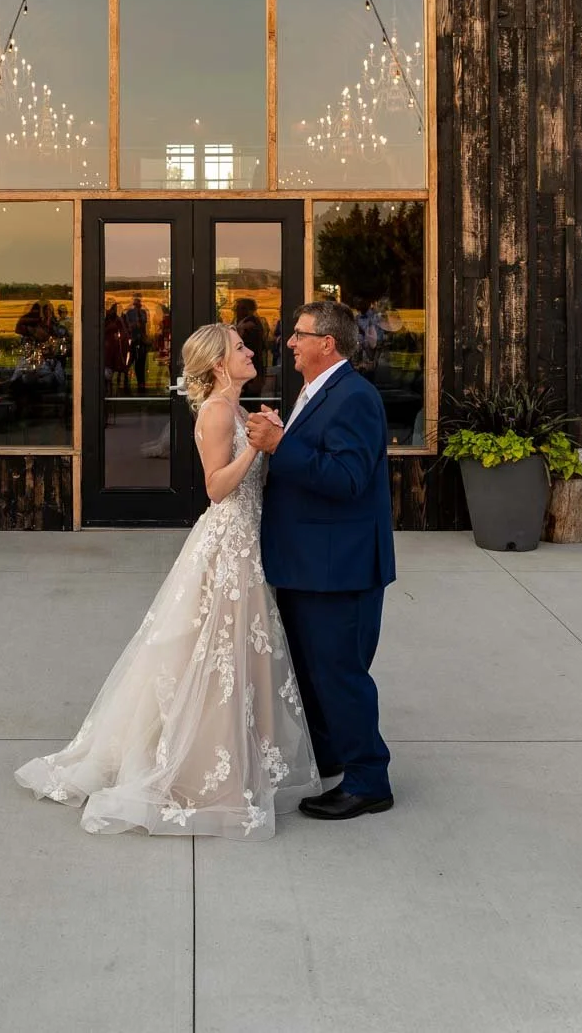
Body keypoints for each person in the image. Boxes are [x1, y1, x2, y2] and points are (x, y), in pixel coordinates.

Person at [15, 323, 320, 838]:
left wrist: (268, 435)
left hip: (247, 546)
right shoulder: (221, 411)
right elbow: (216, 487)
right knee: (210, 655)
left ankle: (229, 756)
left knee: (229, 656)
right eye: (242, 348)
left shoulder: (241, 408)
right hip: (226, 546)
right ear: (220, 362)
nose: (252, 353)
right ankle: (195, 767)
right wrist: (258, 449)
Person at [246, 300, 395, 822]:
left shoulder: (355, 396)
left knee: (340, 673)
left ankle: (368, 780)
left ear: (326, 344)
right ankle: (330, 755)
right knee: (313, 671)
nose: (290, 342)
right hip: (311, 563)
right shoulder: (318, 389)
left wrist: (279, 443)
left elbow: (347, 480)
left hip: (341, 568)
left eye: (299, 334)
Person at [233, 297, 266, 397]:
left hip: (250, 369)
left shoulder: (251, 324)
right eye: (237, 308)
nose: (238, 311)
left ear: (251, 310)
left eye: (242, 308)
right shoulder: (241, 322)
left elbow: (255, 349)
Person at [123, 293, 149, 394]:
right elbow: (128, 326)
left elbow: (144, 324)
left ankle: (141, 383)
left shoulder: (143, 312)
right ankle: (126, 382)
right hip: (133, 341)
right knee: (129, 362)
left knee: (141, 363)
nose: (137, 302)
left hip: (141, 341)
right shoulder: (129, 312)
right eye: (136, 300)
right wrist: (134, 325)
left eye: (139, 300)